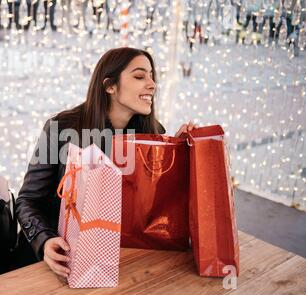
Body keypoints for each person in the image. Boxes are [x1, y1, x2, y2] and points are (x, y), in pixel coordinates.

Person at [14, 47, 198, 278]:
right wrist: (45, 240)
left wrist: (175, 152)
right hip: (62, 256)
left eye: (152, 76)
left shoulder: (153, 132)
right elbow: (27, 200)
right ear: (110, 86)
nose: (152, 84)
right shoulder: (61, 128)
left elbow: (152, 206)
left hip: (121, 257)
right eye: (140, 76)